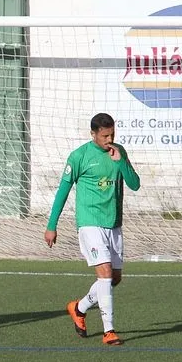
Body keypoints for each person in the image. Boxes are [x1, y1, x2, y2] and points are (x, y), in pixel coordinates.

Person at [45, 112, 140, 345]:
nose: (110, 139)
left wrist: (122, 162)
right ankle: (109, 331)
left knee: (114, 279)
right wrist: (51, 225)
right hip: (89, 223)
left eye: (112, 134)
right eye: (105, 135)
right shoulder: (79, 156)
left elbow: (135, 185)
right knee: (105, 274)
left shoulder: (119, 153)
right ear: (94, 134)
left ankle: (79, 308)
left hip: (114, 224)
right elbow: (62, 191)